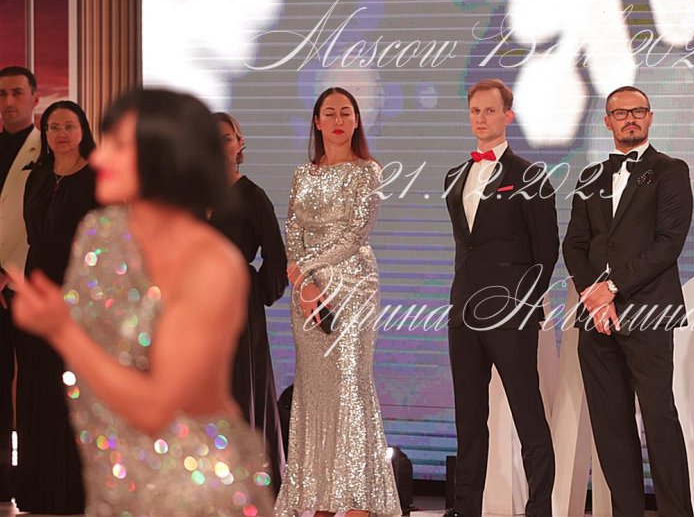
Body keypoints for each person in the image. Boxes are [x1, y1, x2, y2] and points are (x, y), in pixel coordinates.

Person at [5, 89, 274, 515]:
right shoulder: (102, 232)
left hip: (190, 486)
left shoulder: (211, 262)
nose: (99, 157)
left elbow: (156, 407)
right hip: (114, 477)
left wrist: (61, 330)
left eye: (119, 146)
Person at [563, 85, 694, 516]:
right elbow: (574, 245)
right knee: (610, 425)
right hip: (596, 318)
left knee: (659, 420)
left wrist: (613, 287)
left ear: (650, 117)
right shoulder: (590, 177)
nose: (630, 118)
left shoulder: (670, 171)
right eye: (620, 113)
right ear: (608, 122)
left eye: (638, 111)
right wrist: (594, 296)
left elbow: (668, 243)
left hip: (648, 312)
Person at [276, 87, 400, 517]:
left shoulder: (368, 171)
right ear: (317, 122)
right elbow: (292, 230)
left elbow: (355, 235)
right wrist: (302, 281)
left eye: (346, 113)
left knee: (350, 386)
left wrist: (306, 270)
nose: (338, 120)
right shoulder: (303, 174)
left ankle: (356, 498)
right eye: (329, 113)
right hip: (306, 293)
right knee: (315, 389)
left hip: (351, 286)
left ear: (356, 120)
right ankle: (320, 496)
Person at [442, 79, 558, 517]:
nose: (481, 118)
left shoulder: (530, 175)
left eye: (490, 111)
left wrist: (524, 307)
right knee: (469, 420)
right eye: (475, 111)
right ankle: (466, 507)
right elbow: (467, 247)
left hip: (511, 315)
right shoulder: (455, 177)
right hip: (463, 314)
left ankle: (539, 509)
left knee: (528, 415)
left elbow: (546, 250)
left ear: (508, 115)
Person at [14, 100, 97, 514]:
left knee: (72, 394)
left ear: (83, 130)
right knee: (37, 390)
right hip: (36, 293)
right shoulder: (38, 176)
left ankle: (75, 494)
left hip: (80, 297)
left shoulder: (98, 178)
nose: (61, 134)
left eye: (69, 126)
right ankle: (38, 491)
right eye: (52, 127)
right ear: (45, 135)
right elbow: (33, 237)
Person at [208, 111, 288, 493]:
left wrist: (254, 289)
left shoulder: (254, 196)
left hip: (238, 311)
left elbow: (276, 259)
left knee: (240, 396)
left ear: (240, 145)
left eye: (225, 138)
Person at [0, 66, 40, 501]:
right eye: (2, 95)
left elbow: (42, 223)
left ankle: (31, 480)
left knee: (30, 384)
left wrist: (8, 271)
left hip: (24, 283)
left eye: (16, 93)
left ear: (34, 98)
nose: (8, 102)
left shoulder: (45, 149)